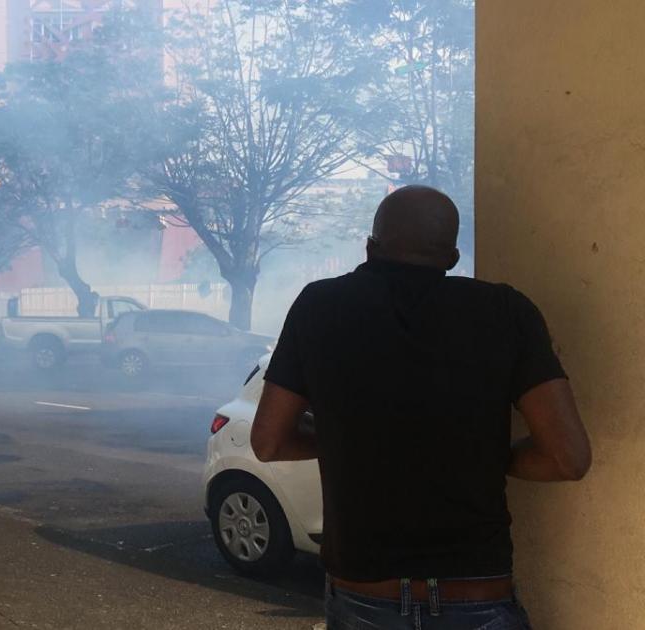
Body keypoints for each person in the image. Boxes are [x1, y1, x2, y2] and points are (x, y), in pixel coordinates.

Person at [251, 186, 591, 629]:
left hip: (365, 598)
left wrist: (347, 438)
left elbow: (268, 442)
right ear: (451, 258)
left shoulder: (319, 307)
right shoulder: (507, 313)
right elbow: (568, 458)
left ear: (370, 247)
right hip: (477, 596)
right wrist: (485, 455)